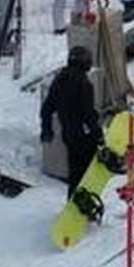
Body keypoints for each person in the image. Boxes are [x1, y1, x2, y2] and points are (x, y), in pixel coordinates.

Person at [39, 44, 102, 186]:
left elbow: (47, 108)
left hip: (68, 134)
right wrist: (98, 135)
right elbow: (88, 114)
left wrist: (46, 129)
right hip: (83, 136)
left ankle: (72, 200)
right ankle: (83, 201)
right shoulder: (84, 83)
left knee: (74, 173)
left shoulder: (60, 79)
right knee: (87, 176)